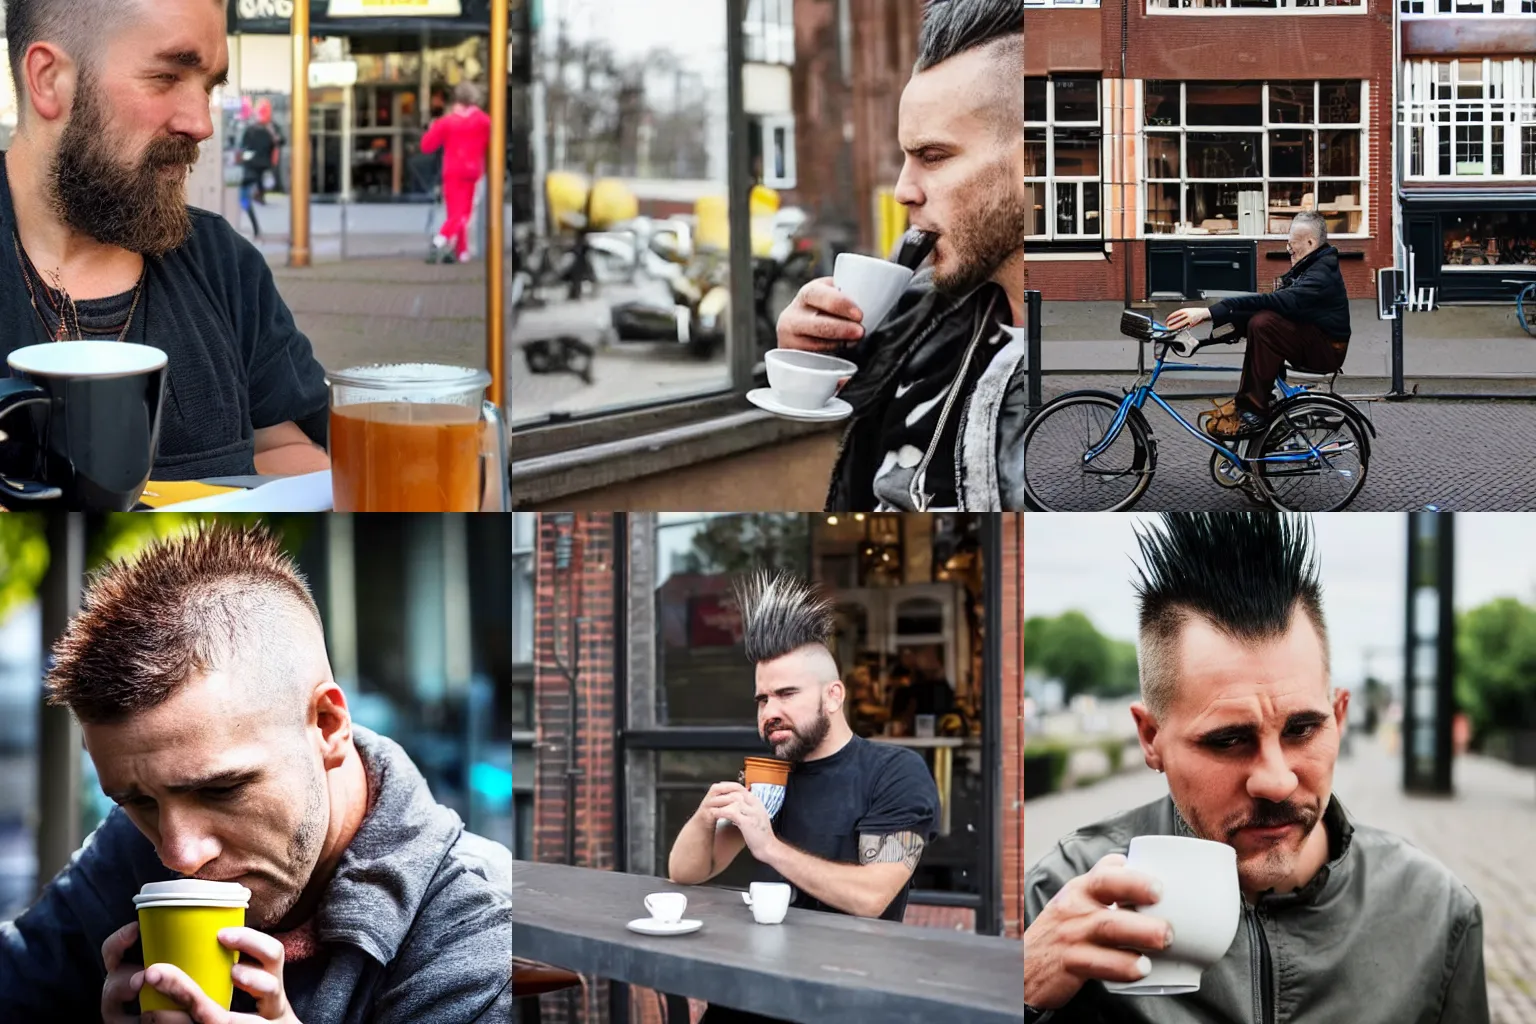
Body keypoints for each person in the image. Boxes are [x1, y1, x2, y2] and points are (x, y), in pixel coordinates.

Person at [0, 523, 512, 1022]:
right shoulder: (134, 845)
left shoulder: (469, 918)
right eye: (138, 803)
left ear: (328, 726)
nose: (178, 854)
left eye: (220, 789)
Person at [1023, 513, 1488, 1024]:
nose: (1276, 780)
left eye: (1302, 730)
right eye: (1228, 739)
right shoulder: (1061, 896)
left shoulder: (1435, 913)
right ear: (1151, 739)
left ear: (1339, 717)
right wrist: (1019, 990)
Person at [0, 0, 330, 481]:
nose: (202, 124)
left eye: (210, 86)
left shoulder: (223, 264)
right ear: (49, 79)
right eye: (167, 77)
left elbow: (286, 445)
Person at [775, 0, 1027, 512]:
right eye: (905, 158)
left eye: (932, 157)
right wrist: (813, 357)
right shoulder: (922, 311)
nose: (902, 191)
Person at [668, 570, 939, 1024]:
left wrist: (769, 846)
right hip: (749, 992)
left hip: (842, 1000)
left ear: (833, 696)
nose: (770, 712)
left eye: (787, 694)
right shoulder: (768, 775)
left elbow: (873, 897)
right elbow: (687, 871)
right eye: (761, 699)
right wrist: (703, 817)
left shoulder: (893, 772)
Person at [1164, 211, 1351, 439]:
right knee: (1260, 318)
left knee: (1265, 323)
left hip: (1326, 351)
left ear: (1310, 242)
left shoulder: (1320, 274)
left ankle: (1255, 410)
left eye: (1292, 247)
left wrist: (1208, 311)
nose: (1289, 253)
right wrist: (1203, 340)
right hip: (1312, 339)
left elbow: (1275, 303)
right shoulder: (1311, 266)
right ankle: (1258, 402)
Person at [420, 82, 492, 265]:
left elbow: (426, 146)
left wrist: (432, 128)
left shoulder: (447, 122)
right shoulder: (485, 121)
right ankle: (461, 252)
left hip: (451, 171)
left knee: (455, 212)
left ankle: (441, 241)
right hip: (473, 171)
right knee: (463, 214)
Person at [238, 101, 279, 238]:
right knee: (247, 196)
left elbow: (244, 148)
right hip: (263, 167)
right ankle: (259, 195)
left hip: (251, 168)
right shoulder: (269, 131)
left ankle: (255, 227)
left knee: (244, 199)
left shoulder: (250, 131)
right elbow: (275, 146)